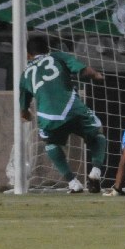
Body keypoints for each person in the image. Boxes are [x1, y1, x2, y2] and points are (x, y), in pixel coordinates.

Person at [19, 36, 106, 194]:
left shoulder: (25, 75)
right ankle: (95, 171)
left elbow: (23, 112)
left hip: (49, 116)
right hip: (73, 108)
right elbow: (83, 70)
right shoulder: (58, 56)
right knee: (97, 133)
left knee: (50, 142)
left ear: (28, 55)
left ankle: (73, 183)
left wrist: (28, 115)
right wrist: (97, 75)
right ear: (47, 50)